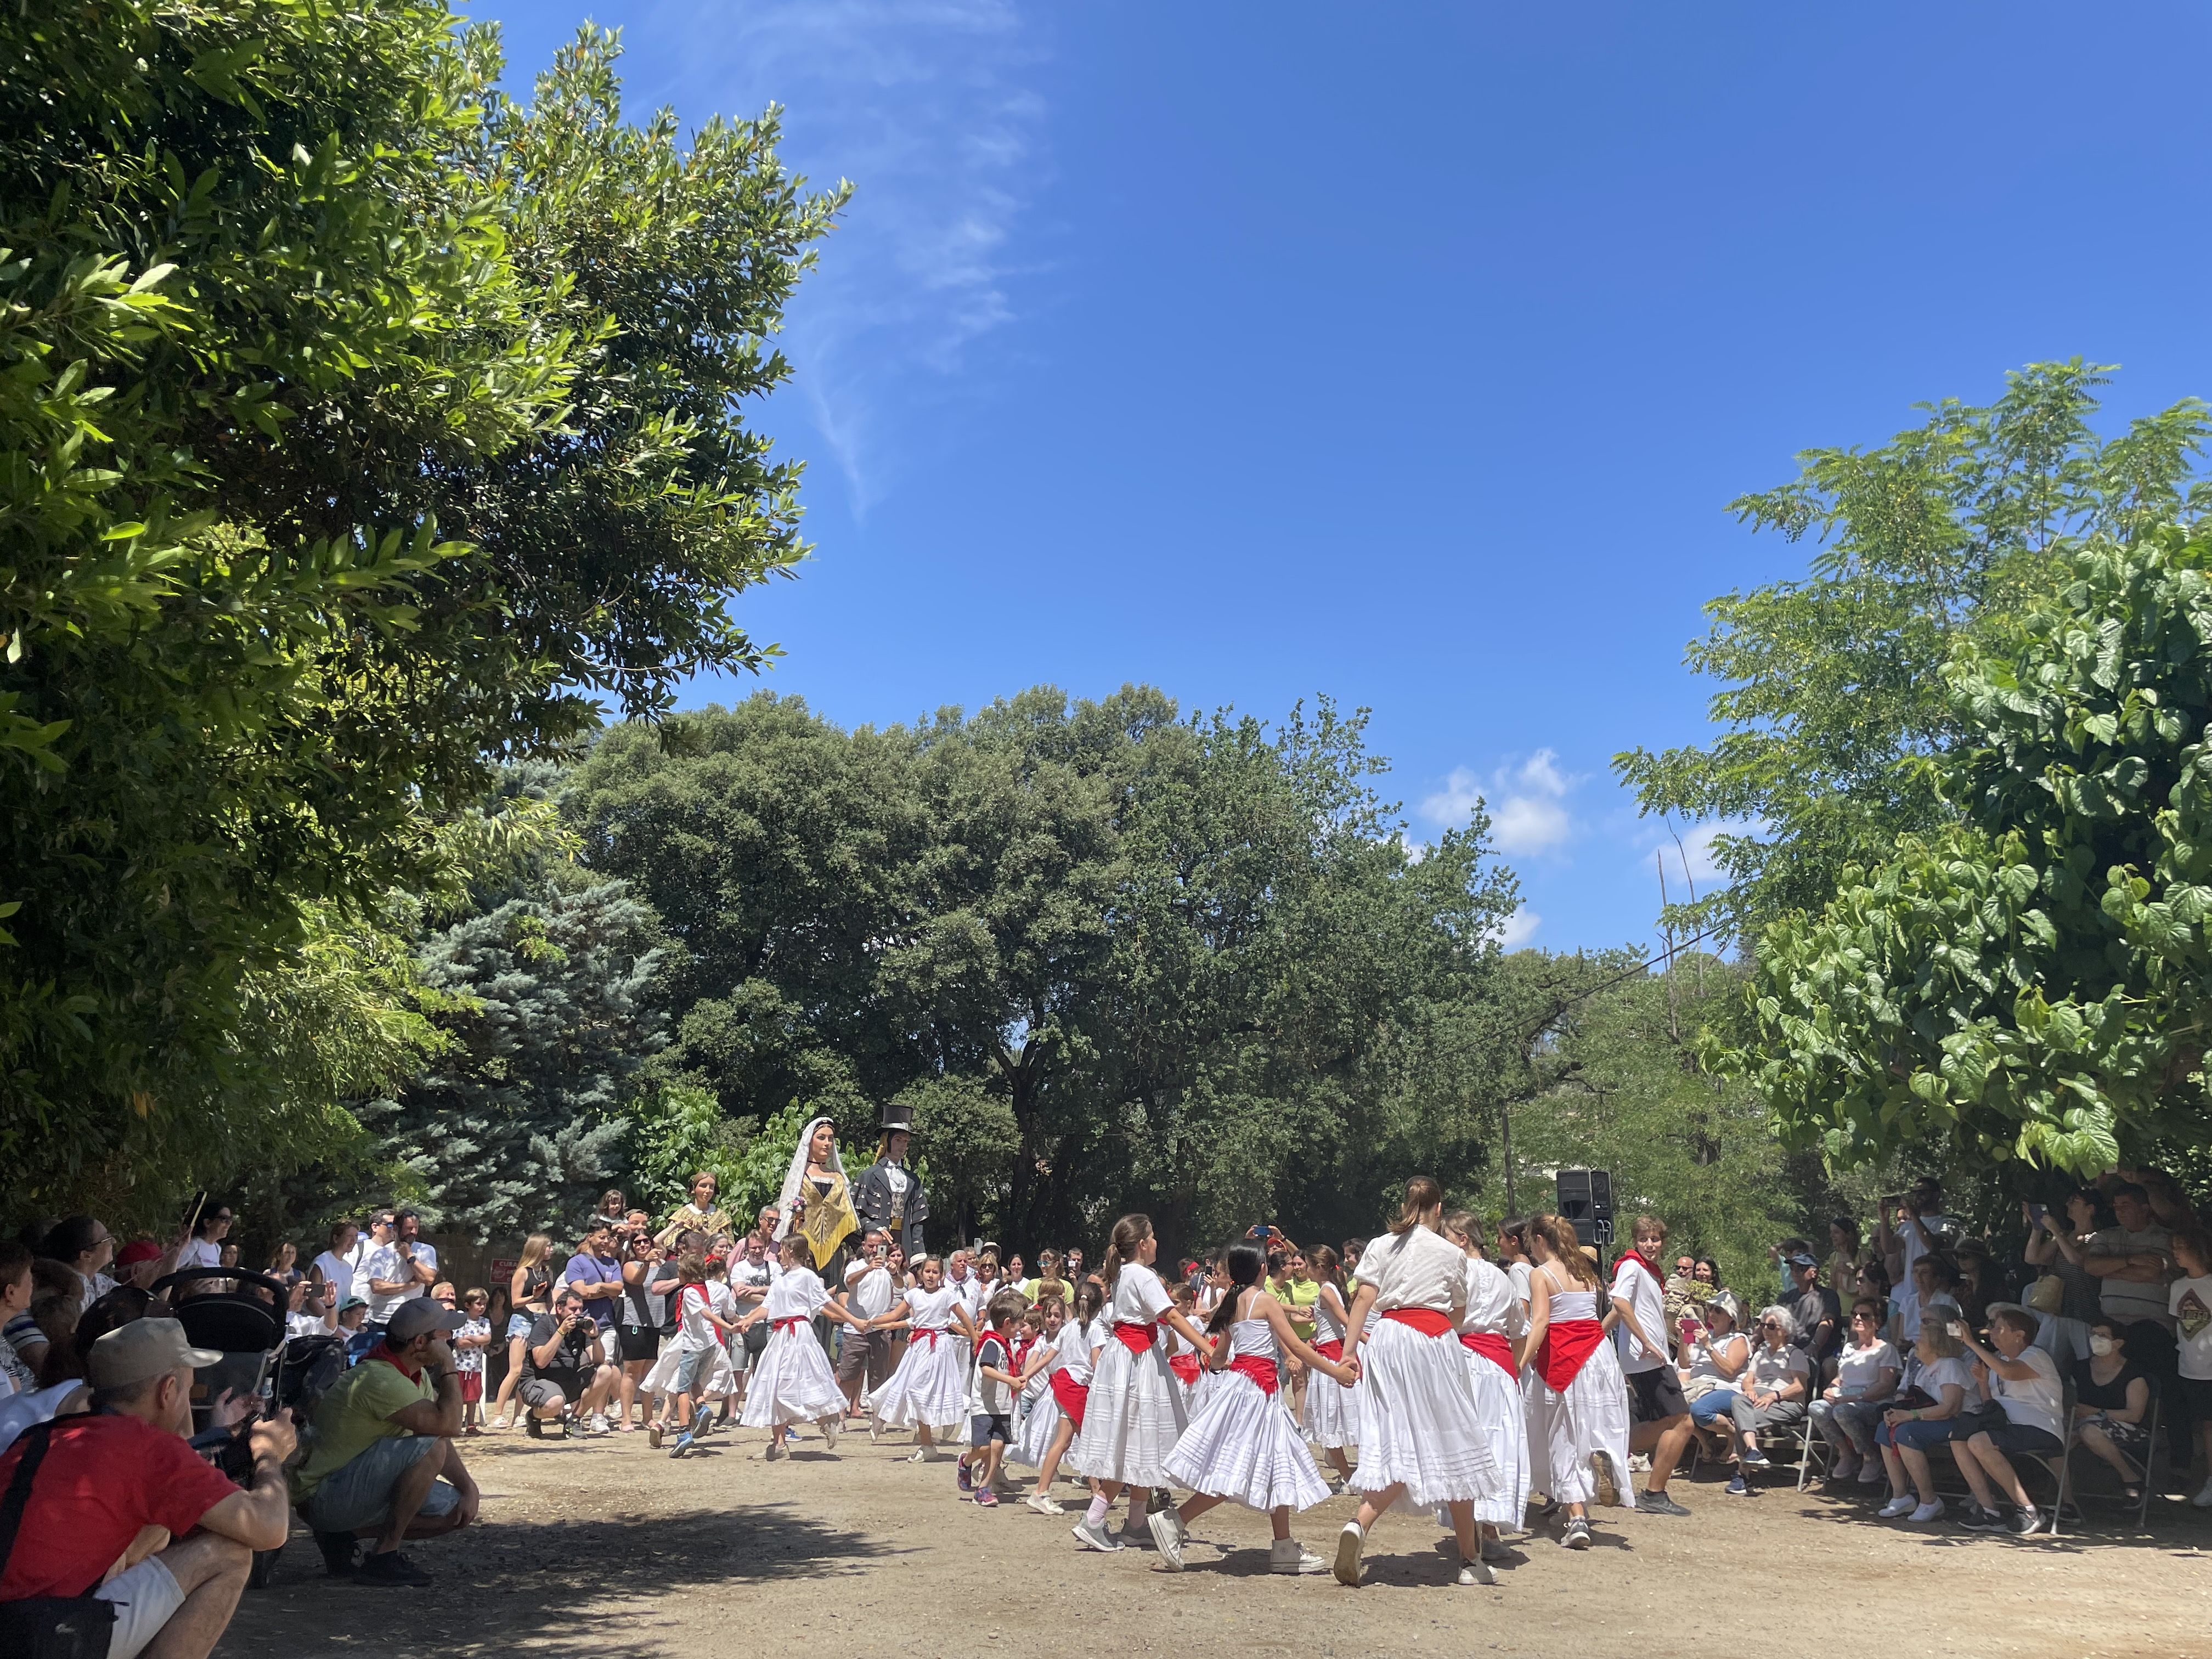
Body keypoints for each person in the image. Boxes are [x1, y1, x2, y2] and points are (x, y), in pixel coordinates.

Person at [0, 1319, 296, 1659]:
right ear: (167, 1391)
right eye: (189, 1388)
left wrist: (210, 1428)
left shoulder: (45, 1437)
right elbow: (269, 1529)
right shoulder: (147, 1450)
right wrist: (270, 1454)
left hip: (20, 1621)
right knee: (228, 1551)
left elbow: (176, 1476)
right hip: (38, 1635)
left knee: (156, 1530)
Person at [1329, 1179, 1502, 1588]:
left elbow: (1363, 1300)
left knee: (1398, 1440)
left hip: (1387, 1341)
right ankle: (1469, 1560)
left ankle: (1359, 1524)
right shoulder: (1450, 1252)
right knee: (1458, 1442)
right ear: (1439, 1208)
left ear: (1406, 1203)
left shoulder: (1380, 1245)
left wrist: (1348, 1352)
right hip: (1431, 1341)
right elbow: (1458, 1314)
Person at [1149, 1242, 1353, 1574]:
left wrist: (1220, 1365)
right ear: (1261, 1268)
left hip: (1248, 1388)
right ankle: (1175, 1520)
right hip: (1257, 1393)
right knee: (1236, 1468)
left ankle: (1283, 1545)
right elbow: (1299, 1346)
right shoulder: (1266, 1301)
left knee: (1276, 1462)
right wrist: (1337, 1372)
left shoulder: (1237, 1301)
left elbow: (1220, 1354)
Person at [290, 1296, 477, 1583]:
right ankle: (383, 1557)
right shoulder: (382, 1379)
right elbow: (449, 1426)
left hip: (348, 1484)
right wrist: (449, 1364)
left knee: (457, 1513)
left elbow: (438, 1430)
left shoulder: (412, 1376)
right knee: (433, 1448)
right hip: (323, 1495)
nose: (450, 1339)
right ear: (419, 1343)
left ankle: (341, 1537)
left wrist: (469, 1489)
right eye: (443, 1335)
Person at [1067, 1214, 1211, 1553]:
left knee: (1146, 1442)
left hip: (1132, 1359)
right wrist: (1208, 1349)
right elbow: (1172, 1316)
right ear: (1144, 1244)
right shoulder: (1142, 1276)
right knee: (1134, 1439)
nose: (1158, 1242)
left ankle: (1135, 1525)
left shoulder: (1123, 1275)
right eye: (1154, 1236)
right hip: (1138, 1362)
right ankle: (1094, 1518)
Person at [1520, 1211, 1630, 1550]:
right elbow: (1609, 1311)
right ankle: (1600, 1457)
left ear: (1540, 1241)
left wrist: (1520, 1362)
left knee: (1561, 1439)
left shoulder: (1541, 1275)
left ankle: (1578, 1516)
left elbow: (1540, 1323)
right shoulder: (1587, 1272)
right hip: (1598, 1357)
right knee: (1589, 1428)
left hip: (1563, 1360)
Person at [1442, 1210, 1530, 1561]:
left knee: (1467, 1441)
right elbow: (1519, 1330)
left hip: (1463, 1362)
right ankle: (1487, 1529)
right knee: (1496, 1441)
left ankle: (1475, 1530)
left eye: (1446, 1237)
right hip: (1498, 1367)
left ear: (1463, 1239)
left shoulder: (1454, 1273)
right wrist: (1516, 1368)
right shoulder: (1502, 1278)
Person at [737, 1232, 866, 1457]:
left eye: (781, 1251)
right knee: (775, 1387)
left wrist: (853, 1320)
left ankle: (826, 1419)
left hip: (799, 1335)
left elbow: (827, 1303)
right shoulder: (781, 1280)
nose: (778, 1254)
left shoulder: (807, 1276)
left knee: (802, 1382)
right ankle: (779, 1444)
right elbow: (767, 1307)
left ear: (789, 1251)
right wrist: (748, 1319)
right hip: (781, 1336)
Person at [1949, 1306, 2066, 1535]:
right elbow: (1992, 1406)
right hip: (2008, 1428)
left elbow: (2009, 1372)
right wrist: (1983, 1383)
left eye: (1997, 1327)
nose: (1991, 1332)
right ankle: (1989, 1512)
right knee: (1958, 1436)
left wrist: (1971, 1343)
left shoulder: (2035, 1355)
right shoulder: (1998, 1361)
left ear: (2019, 1336)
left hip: (2040, 1429)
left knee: (1979, 1442)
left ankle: (2029, 1511)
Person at [1612, 1213, 1694, 1514]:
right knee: (1683, 1422)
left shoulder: (1646, 1271)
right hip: (1647, 1358)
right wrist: (1646, 1342)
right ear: (1635, 1241)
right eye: (1644, 1239)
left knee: (1663, 1423)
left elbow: (1621, 1307)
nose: (1649, 1244)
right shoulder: (1632, 1266)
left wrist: (1599, 1334)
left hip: (1650, 1357)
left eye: (1655, 1239)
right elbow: (1619, 1302)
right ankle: (1654, 1493)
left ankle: (1609, 1452)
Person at [1874, 1319, 1976, 1523]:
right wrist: (1896, 1414)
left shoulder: (1951, 1365)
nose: (1916, 1343)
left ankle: (1930, 1501)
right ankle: (1901, 1496)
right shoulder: (1926, 1369)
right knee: (1885, 1428)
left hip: (1963, 1422)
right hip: (1937, 1421)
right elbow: (1919, 1403)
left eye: (1922, 1339)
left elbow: (1951, 1408)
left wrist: (1909, 1417)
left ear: (1936, 1344)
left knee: (1907, 1433)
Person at [869, 1255, 970, 1455]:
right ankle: (925, 1442)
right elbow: (893, 1317)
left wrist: (976, 1339)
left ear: (942, 1275)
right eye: (927, 1271)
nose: (931, 1276)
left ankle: (929, 1440)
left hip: (939, 1347)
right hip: (919, 1348)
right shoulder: (914, 1294)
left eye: (935, 1272)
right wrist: (870, 1322)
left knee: (921, 1390)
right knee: (906, 1385)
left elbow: (964, 1320)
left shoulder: (947, 1295)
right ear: (921, 1273)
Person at [1723, 1306, 1812, 1494]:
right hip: (1758, 1401)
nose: (1765, 1330)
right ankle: (1753, 1453)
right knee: (1740, 1402)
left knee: (1741, 1415)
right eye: (1762, 1325)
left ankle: (1742, 1476)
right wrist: (1749, 1389)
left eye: (1771, 1326)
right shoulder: (1761, 1353)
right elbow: (1748, 1379)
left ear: (1785, 1330)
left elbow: (1799, 1386)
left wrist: (1774, 1395)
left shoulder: (1794, 1354)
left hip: (1787, 1402)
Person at [1810, 1298, 1900, 1484]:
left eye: (1865, 1315)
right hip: (1845, 1398)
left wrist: (1856, 1398)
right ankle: (1846, 1453)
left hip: (1873, 1403)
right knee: (1816, 1408)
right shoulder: (1849, 1348)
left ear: (1877, 1322)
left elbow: (1886, 1385)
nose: (1858, 1318)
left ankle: (1871, 1456)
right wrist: (1831, 1388)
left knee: (1843, 1411)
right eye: (1854, 1314)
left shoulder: (1886, 1349)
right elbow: (1841, 1377)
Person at [666, 1253, 742, 1458]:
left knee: (682, 1390)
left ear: (686, 1273)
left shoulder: (690, 1292)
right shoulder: (704, 1288)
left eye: (680, 1271)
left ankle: (683, 1432)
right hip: (709, 1345)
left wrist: (729, 1326)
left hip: (694, 1347)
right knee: (695, 1382)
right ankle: (701, 1407)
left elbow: (707, 1314)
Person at [516, 1289, 620, 1439]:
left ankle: (574, 1421)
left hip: (568, 1381)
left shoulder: (581, 1329)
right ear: (559, 1308)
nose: (577, 1313)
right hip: (537, 1382)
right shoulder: (545, 1324)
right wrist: (561, 1332)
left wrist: (595, 1337)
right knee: (556, 1402)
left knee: (606, 1371)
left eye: (580, 1309)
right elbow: (541, 1362)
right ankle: (533, 1417)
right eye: (573, 1309)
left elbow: (598, 1361)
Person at [2070, 1317, 2153, 1504]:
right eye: (2093, 1334)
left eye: (2102, 1336)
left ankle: (2130, 1477)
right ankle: (2063, 1500)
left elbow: (2135, 1415)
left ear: (2118, 1343)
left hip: (2128, 1430)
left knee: (2089, 1431)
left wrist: (2096, 1413)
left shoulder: (2134, 1373)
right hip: (2079, 1423)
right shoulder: (2080, 1368)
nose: (2095, 1339)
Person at [957, 1294, 1028, 1506]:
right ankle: (966, 1461)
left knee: (997, 1447)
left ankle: (983, 1488)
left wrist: (1016, 1379)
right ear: (1007, 1323)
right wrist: (1010, 1380)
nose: (1019, 1329)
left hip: (1002, 1406)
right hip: (984, 1406)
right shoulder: (992, 1344)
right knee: (984, 1449)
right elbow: (986, 1368)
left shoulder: (1006, 1345)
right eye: (1018, 1325)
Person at [1300, 1243, 1361, 1488]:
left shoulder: (1327, 1291)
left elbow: (1346, 1321)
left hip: (1332, 1360)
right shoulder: (1329, 1289)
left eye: (1306, 1265)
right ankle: (1351, 1476)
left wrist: (1368, 1341)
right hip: (1328, 1354)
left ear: (1318, 1267)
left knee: (1332, 1422)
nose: (1302, 1269)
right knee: (1338, 1421)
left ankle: (1350, 1477)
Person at [490, 1233, 556, 1431]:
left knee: (531, 1371)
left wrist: (553, 1320)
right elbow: (515, 1301)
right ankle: (498, 1415)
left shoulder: (547, 1271)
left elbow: (550, 1300)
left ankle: (518, 1415)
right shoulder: (522, 1272)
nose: (551, 1249)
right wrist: (533, 1297)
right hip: (523, 1321)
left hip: (543, 1320)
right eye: (548, 1246)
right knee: (516, 1369)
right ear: (537, 1248)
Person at [1676, 1291, 1751, 1460]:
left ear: (1731, 1317)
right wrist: (1682, 1339)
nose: (1712, 1314)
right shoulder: (1703, 1337)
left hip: (1724, 1387)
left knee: (1700, 1410)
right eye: (1711, 1309)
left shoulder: (1737, 1339)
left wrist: (1708, 1346)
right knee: (1671, 1407)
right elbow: (1685, 1364)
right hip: (1698, 1387)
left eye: (1719, 1310)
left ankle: (1733, 1436)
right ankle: (1704, 1441)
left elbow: (1730, 1371)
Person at [851, 1102, 931, 1260]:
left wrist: (919, 1254)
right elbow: (856, 1214)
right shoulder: (869, 1175)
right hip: (878, 1245)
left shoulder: (913, 1180)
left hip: (905, 1245)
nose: (903, 1146)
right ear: (886, 1140)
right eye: (898, 1140)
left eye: (906, 1141)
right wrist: (876, 1228)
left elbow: (917, 1222)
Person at [2168, 1223, 2212, 1508]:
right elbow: (2180, 1325)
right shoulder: (2178, 1286)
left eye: (2181, 1247)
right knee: (2205, 1427)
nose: (2175, 1254)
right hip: (2189, 1370)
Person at [617, 1233, 679, 1433]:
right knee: (632, 1372)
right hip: (634, 1324)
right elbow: (636, 1280)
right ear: (632, 1247)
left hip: (656, 1326)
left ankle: (647, 1418)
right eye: (638, 1242)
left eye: (646, 1241)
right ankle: (626, 1418)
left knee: (650, 1374)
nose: (643, 1245)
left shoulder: (662, 1265)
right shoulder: (631, 1265)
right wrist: (645, 1262)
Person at [2025, 1188, 2113, 1324]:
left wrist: (2056, 1231)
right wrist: (2037, 1228)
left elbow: (2077, 1260)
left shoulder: (2098, 1238)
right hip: (2058, 1311)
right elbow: (2032, 1258)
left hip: (2085, 1312)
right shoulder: (2065, 1236)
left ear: (2090, 1209)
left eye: (2073, 1201)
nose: (2067, 1205)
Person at [839, 1231, 899, 1417]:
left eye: (879, 1246)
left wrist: (895, 1272)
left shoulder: (887, 1269)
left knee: (878, 1377)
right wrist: (868, 1269)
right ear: (864, 1246)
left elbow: (900, 1284)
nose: (875, 1250)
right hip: (856, 1329)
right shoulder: (855, 1266)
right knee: (848, 1375)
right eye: (871, 1246)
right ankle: (840, 1415)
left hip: (880, 1330)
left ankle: (878, 1418)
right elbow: (848, 1281)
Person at [560, 1223, 628, 1372]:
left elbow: (618, 1289)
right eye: (601, 1237)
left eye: (607, 1238)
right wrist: (608, 1291)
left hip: (606, 1325)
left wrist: (600, 1286)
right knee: (582, 1370)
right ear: (590, 1237)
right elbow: (582, 1293)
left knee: (605, 1369)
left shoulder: (613, 1263)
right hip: (579, 1324)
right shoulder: (576, 1262)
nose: (605, 1241)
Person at [39, 1216, 117, 1312]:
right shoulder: (66, 1295)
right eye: (107, 1239)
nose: (113, 1241)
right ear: (86, 1255)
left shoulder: (97, 1281)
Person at [1783, 1249, 1842, 1367]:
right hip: (1788, 1349)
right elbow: (1772, 1320)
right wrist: (1754, 1342)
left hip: (1817, 1351)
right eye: (1792, 1268)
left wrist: (1814, 1345)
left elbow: (1827, 1322)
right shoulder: (1786, 1297)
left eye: (1800, 1268)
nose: (1795, 1272)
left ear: (1814, 1273)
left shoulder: (1827, 1296)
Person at [654, 1171, 733, 1250]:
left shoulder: (721, 1215)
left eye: (711, 1187)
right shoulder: (682, 1214)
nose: (708, 1190)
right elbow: (670, 1243)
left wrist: (701, 1229)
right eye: (703, 1186)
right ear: (694, 1188)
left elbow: (730, 1246)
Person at [454, 1289, 491, 1434]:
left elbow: (487, 1339)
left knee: (473, 1396)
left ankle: (471, 1425)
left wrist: (471, 1338)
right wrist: (478, 1340)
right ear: (468, 1305)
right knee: (457, 1396)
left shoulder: (485, 1322)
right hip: (460, 1365)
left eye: (484, 1304)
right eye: (478, 1304)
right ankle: (456, 1424)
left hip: (475, 1367)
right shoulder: (461, 1320)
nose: (482, 1307)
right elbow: (460, 1342)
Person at [312, 1220, 363, 1310]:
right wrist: (332, 1322)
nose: (353, 1240)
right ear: (336, 1238)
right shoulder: (322, 1262)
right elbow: (313, 1301)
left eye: (356, 1236)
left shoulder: (348, 1267)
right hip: (322, 1320)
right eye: (349, 1236)